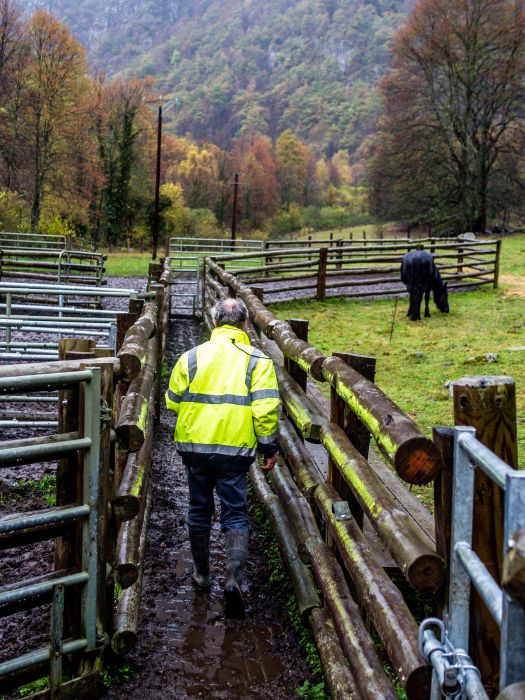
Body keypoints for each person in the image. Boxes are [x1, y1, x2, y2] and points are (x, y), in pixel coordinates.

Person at [165, 296, 280, 614]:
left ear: (215, 323)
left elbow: (172, 401)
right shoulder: (258, 361)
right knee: (235, 513)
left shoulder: (191, 357)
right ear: (245, 324)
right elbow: (266, 409)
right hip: (235, 452)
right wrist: (268, 447)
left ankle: (202, 574)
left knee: (199, 508)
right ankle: (233, 580)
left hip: (195, 448)